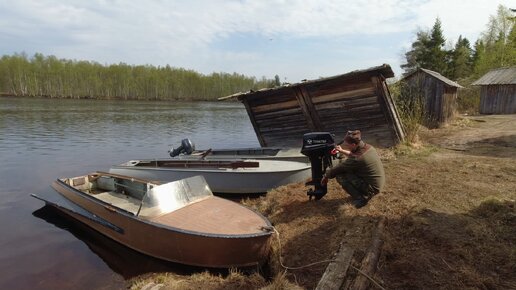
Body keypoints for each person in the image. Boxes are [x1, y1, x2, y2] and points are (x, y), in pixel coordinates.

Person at [321, 130, 385, 208]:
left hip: (372, 189)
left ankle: (361, 198)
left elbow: (339, 168)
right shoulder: (367, 147)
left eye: (348, 145)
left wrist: (325, 177)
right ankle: (362, 193)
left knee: (340, 175)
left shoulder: (357, 159)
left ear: (354, 144)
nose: (347, 147)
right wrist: (341, 151)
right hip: (377, 184)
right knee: (349, 171)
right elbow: (354, 155)